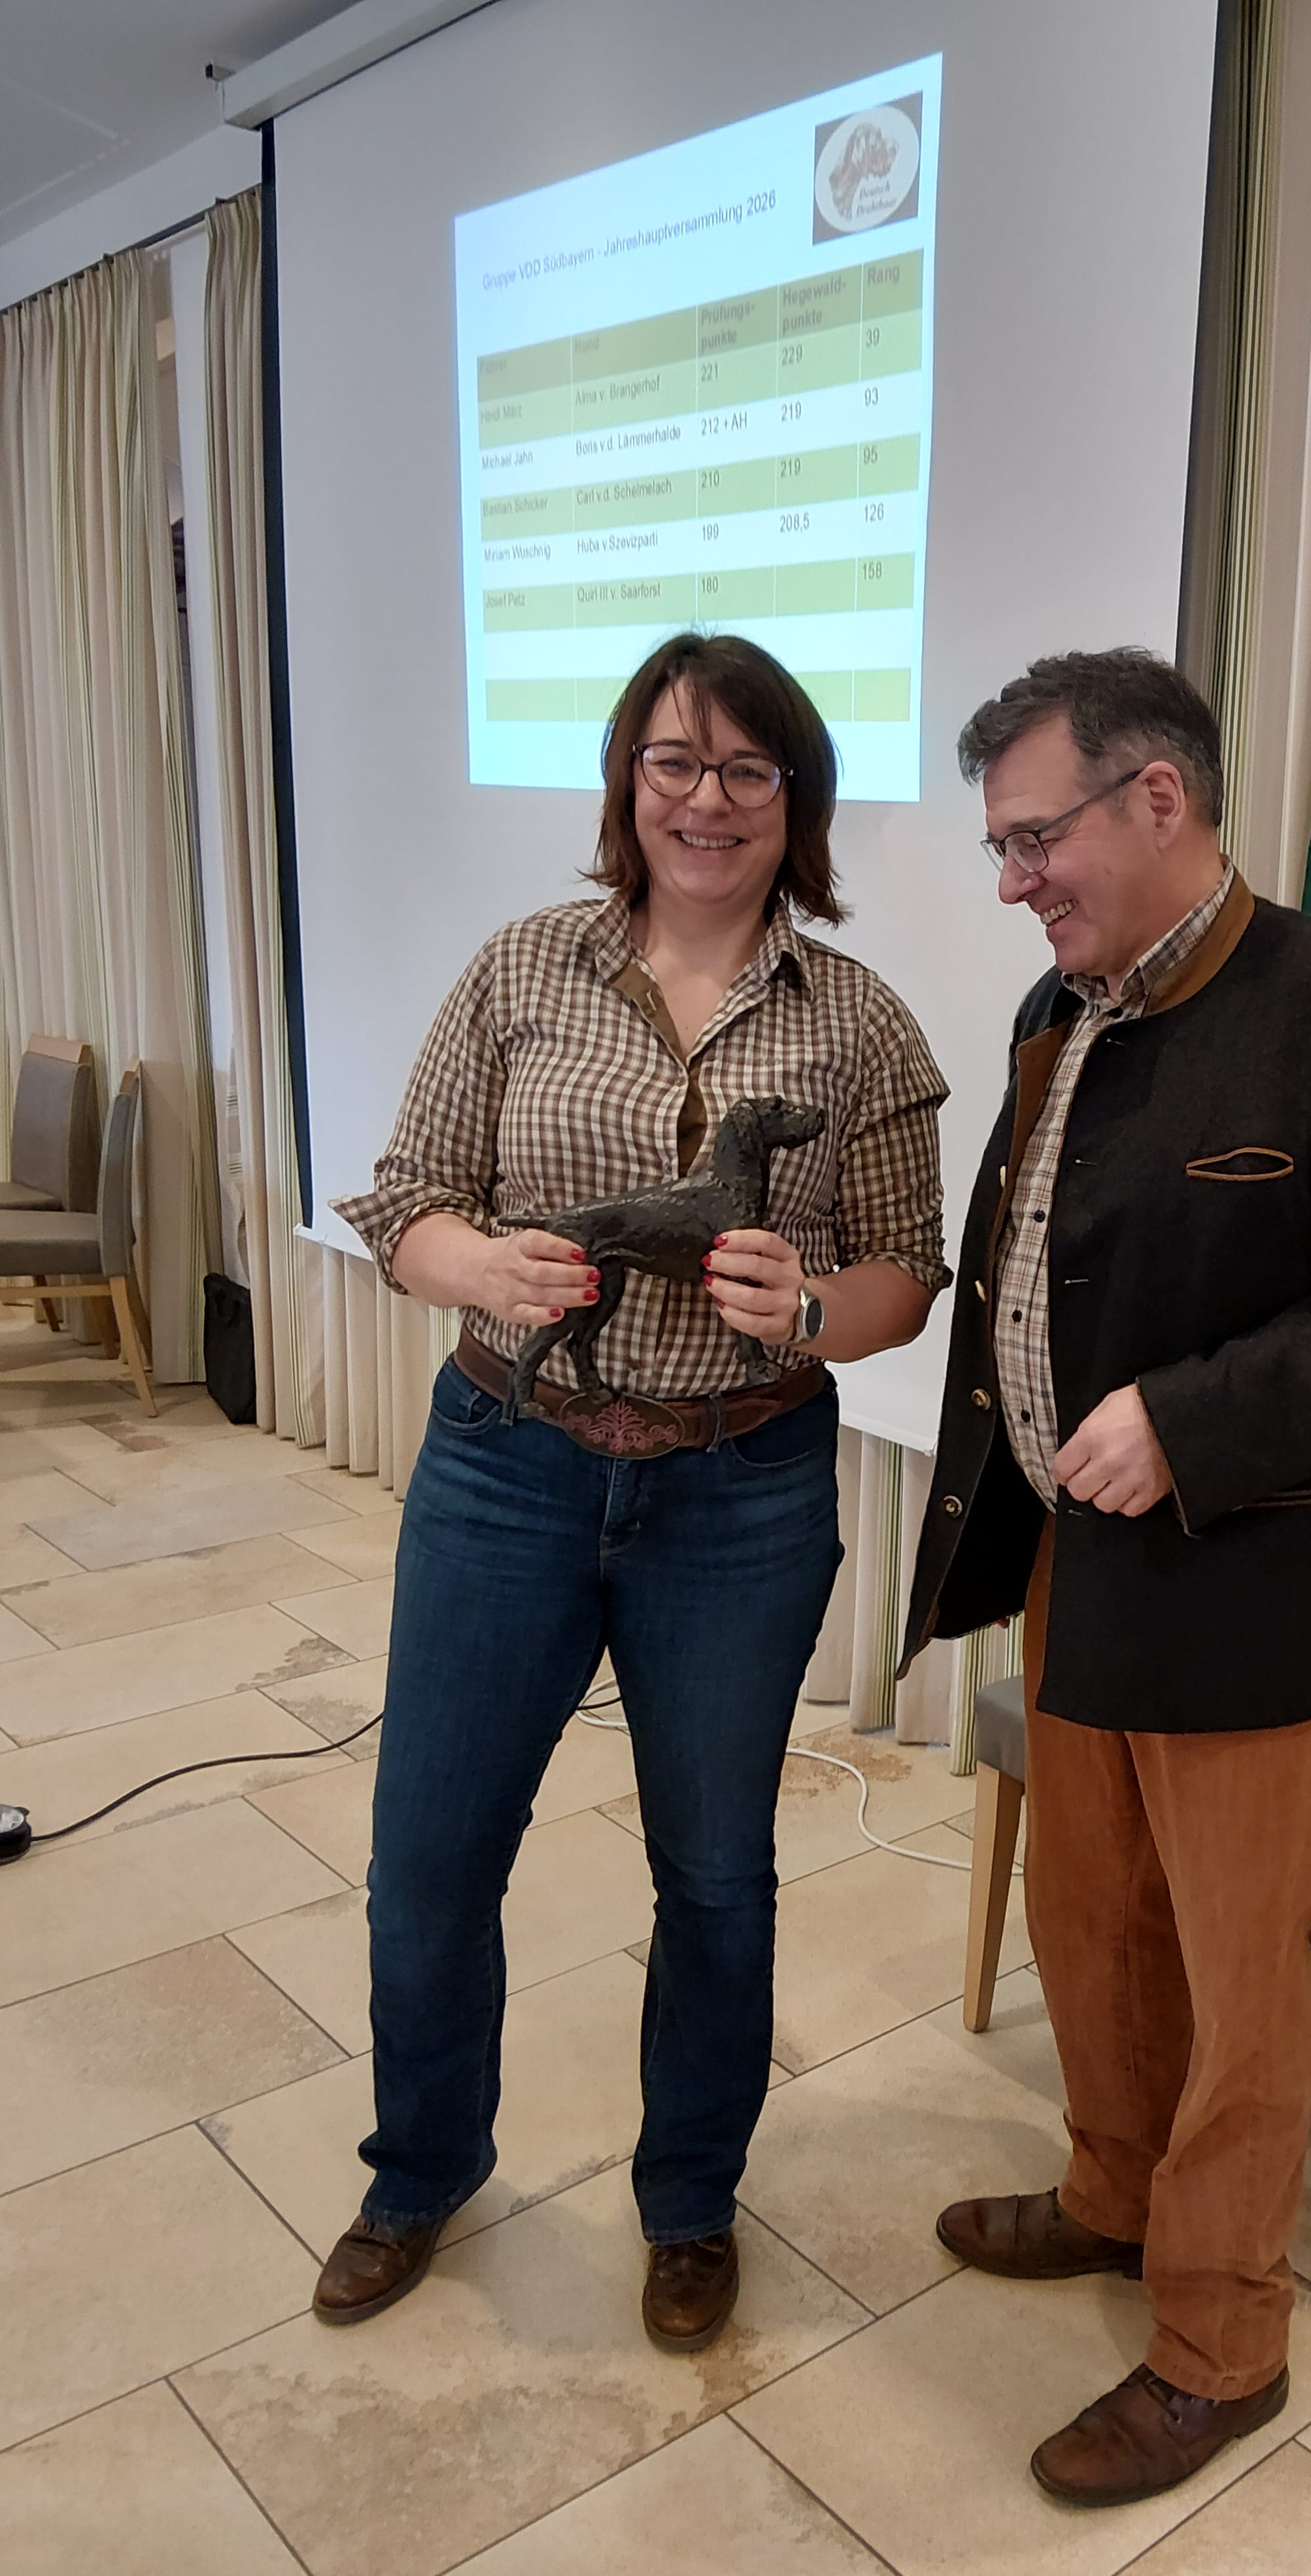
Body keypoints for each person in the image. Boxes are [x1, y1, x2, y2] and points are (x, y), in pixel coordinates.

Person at [901, 649, 1311, 2505]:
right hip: (1078, 1571)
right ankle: (1110, 2193)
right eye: (1002, 848)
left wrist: (1188, 1418)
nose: (1015, 882)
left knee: (1241, 1990)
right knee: (1091, 1922)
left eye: (1034, 839)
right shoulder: (1060, 1007)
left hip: (1267, 1595)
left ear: (1157, 796)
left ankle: (1220, 2342)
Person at [318, 632, 947, 2350]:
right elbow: (406, 1201)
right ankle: (416, 2172)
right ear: (626, 781)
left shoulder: (859, 1020)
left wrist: (811, 1311)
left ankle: (690, 2203)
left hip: (738, 1493)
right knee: (429, 1857)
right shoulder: (523, 967)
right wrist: (484, 1271)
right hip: (505, 1476)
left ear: (797, 798)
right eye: (674, 761)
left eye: (747, 767)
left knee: (717, 1875)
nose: (706, 799)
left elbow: (906, 1272)